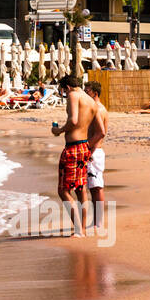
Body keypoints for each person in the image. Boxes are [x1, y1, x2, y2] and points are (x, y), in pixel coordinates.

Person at [50, 74, 96, 237]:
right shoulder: (90, 100)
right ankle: (81, 229)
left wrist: (59, 130)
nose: (64, 94)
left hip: (73, 147)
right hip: (85, 145)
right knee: (81, 189)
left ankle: (78, 230)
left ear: (67, 87)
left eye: (63, 91)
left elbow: (74, 120)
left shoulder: (73, 95)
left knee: (63, 190)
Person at [85, 81, 109, 230]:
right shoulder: (96, 108)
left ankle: (98, 223)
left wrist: (87, 149)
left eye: (87, 91)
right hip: (94, 150)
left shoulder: (98, 109)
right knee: (93, 187)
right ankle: (95, 221)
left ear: (95, 93)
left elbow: (100, 133)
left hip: (94, 151)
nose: (85, 93)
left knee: (97, 187)